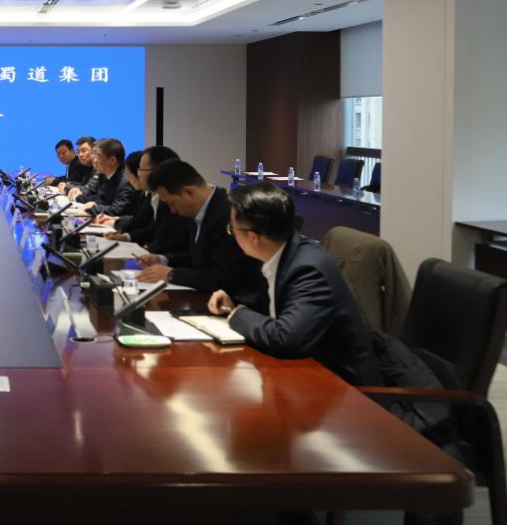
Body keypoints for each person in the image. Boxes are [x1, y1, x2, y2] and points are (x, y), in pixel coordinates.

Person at [207, 183, 380, 387]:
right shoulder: (279, 251)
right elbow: (274, 301)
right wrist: (233, 302)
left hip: (342, 388)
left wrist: (239, 316)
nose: (231, 234)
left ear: (253, 237)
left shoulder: (308, 269)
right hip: (304, 375)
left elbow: (286, 339)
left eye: (232, 229)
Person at [135, 160, 264, 297]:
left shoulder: (228, 215)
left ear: (189, 192)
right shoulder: (201, 210)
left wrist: (171, 274)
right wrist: (163, 260)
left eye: (172, 203)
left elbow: (223, 277)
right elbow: (198, 257)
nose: (173, 211)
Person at [68, 138, 137, 216]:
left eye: (97, 154)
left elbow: (118, 210)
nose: (93, 159)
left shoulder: (128, 180)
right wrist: (95, 203)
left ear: (112, 160)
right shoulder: (104, 174)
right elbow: (101, 199)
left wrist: (94, 207)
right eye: (92, 153)